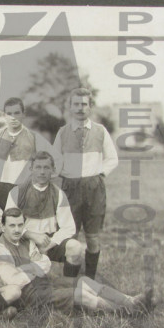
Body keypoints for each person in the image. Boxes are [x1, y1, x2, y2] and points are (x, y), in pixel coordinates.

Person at [0, 208, 154, 315]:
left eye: (20, 225)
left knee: (84, 281)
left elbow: (46, 264)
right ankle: (128, 312)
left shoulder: (26, 242)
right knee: (80, 294)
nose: (16, 229)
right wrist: (33, 266)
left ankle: (131, 301)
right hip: (28, 295)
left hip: (44, 282)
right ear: (2, 227)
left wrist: (27, 268)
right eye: (12, 225)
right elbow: (13, 279)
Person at [53, 88, 118, 279]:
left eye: (84, 104)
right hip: (70, 188)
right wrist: (63, 174)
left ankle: (90, 279)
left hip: (94, 188)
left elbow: (112, 159)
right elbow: (55, 160)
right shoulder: (62, 132)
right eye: (76, 104)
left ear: (90, 107)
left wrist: (99, 174)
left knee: (92, 236)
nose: (80, 108)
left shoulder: (100, 131)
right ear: (70, 107)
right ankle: (70, 282)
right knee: (70, 235)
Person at [5, 151, 82, 278]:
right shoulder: (17, 192)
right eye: (38, 167)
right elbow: (9, 224)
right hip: (23, 239)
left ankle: (70, 285)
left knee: (75, 247)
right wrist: (31, 235)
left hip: (48, 241)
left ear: (53, 170)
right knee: (30, 275)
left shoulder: (58, 194)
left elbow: (69, 227)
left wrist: (49, 244)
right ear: (31, 169)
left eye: (46, 168)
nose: (42, 172)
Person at [0, 97, 61, 209]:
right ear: (4, 116)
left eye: (17, 113)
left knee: (23, 222)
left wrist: (42, 178)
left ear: (23, 114)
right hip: (0, 187)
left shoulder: (34, 137)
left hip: (24, 187)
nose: (13, 117)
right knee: (1, 222)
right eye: (9, 113)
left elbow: (57, 158)